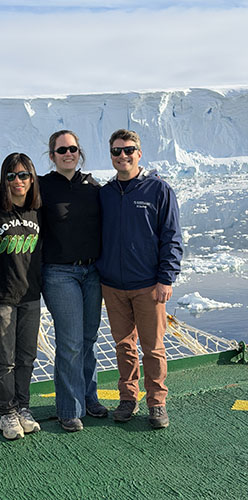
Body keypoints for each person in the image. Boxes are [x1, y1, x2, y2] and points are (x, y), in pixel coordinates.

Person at [96, 129, 183, 429]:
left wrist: (166, 278)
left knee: (153, 347)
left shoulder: (158, 190)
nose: (123, 156)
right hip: (113, 285)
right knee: (123, 345)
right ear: (111, 156)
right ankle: (128, 398)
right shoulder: (105, 194)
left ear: (139, 153)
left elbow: (171, 237)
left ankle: (157, 403)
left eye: (129, 150)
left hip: (148, 284)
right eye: (117, 151)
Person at [39, 130, 108, 433]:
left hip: (92, 272)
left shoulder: (93, 187)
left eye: (73, 149)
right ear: (52, 155)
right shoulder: (41, 187)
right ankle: (69, 408)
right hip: (59, 273)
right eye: (62, 149)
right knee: (69, 342)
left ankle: (88, 396)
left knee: (88, 339)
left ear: (80, 153)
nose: (68, 154)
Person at [0, 152, 42, 440]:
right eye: (11, 176)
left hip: (31, 294)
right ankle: (7, 412)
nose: (18, 181)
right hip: (1, 296)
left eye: (23, 175)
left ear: (31, 178)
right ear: (4, 179)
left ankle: (23, 407)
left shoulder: (37, 210)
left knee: (26, 357)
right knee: (4, 358)